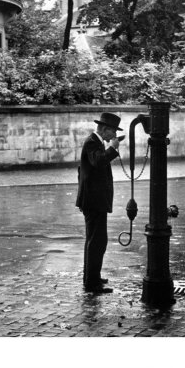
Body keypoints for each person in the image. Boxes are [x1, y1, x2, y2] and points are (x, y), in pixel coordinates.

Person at [76, 112, 124, 293]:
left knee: (95, 240)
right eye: (112, 132)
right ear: (104, 129)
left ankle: (92, 277)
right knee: (96, 241)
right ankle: (91, 283)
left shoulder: (96, 142)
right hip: (93, 201)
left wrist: (110, 148)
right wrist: (113, 149)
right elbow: (98, 162)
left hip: (95, 200)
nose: (113, 136)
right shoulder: (92, 142)